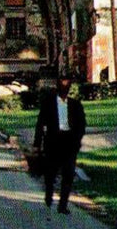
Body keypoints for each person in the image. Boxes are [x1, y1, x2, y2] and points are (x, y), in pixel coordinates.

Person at [33, 74, 87, 214]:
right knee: (50, 173)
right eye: (62, 85)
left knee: (68, 173)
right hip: (53, 141)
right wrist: (37, 143)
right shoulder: (49, 103)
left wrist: (77, 140)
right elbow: (40, 123)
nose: (64, 88)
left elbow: (81, 125)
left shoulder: (75, 105)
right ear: (57, 87)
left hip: (69, 142)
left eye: (67, 85)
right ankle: (49, 194)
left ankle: (63, 204)